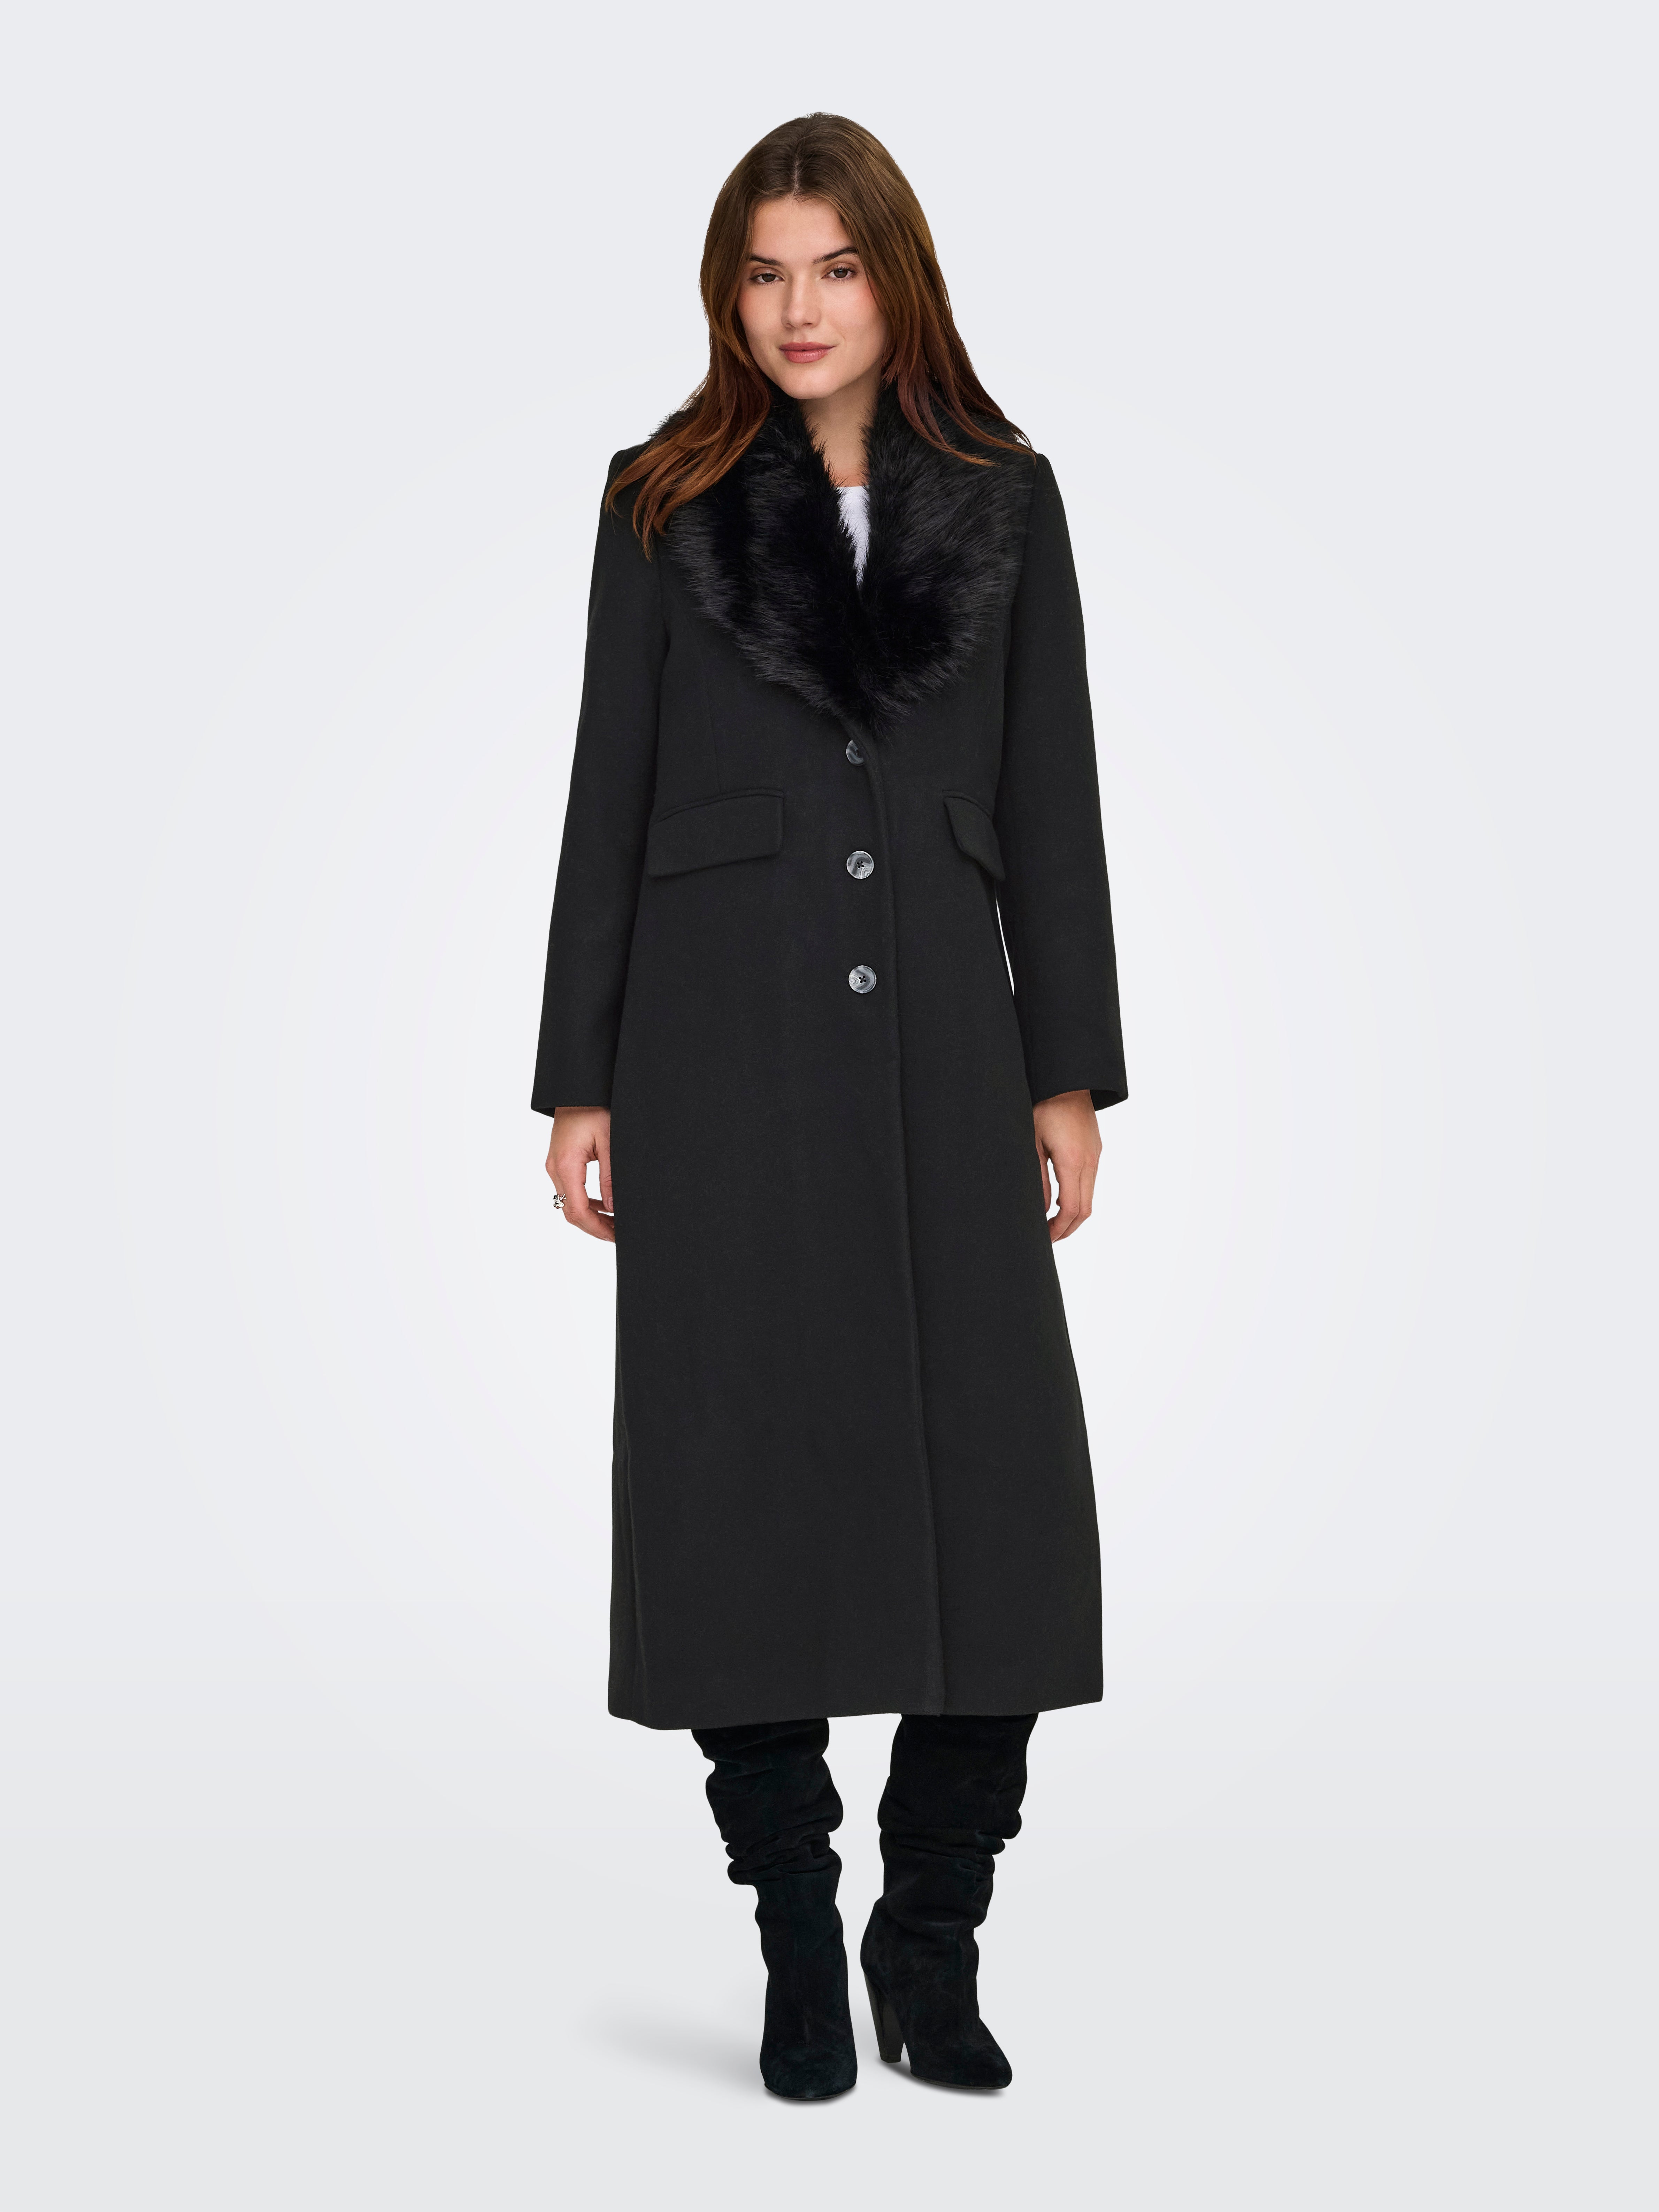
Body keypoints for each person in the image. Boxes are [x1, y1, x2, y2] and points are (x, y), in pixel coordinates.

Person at [532, 112, 1126, 2098]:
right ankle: (796, 1929)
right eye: (764, 273)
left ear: (898, 279)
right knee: (737, 1494)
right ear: (728, 294)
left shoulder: (1007, 497)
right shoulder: (662, 498)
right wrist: (580, 1079)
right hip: (717, 1048)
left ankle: (929, 1934)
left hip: (953, 1049)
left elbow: (1052, 791)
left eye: (837, 269)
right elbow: (607, 790)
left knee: (1008, 1504)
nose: (799, 310)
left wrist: (1066, 1068)